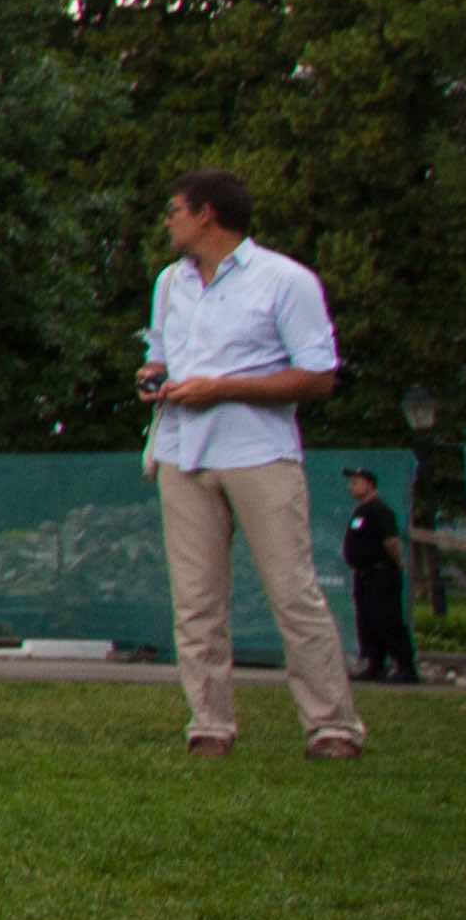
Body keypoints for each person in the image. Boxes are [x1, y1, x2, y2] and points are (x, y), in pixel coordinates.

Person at [142, 170, 361, 759]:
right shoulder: (169, 284)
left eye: (175, 209)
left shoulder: (285, 281)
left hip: (258, 452)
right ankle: (209, 725)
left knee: (293, 592)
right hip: (180, 453)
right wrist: (154, 378)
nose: (169, 220)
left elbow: (318, 376)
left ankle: (332, 725)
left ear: (206, 214)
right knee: (195, 602)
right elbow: (159, 354)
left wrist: (224, 389)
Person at [337, 468, 416, 687]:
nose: (351, 487)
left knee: (387, 618)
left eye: (356, 483)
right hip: (364, 575)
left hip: (381, 573)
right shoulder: (360, 511)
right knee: (368, 620)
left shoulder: (380, 510)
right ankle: (375, 664)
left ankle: (405, 667)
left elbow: (390, 540)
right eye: (351, 483)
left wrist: (399, 563)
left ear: (370, 485)